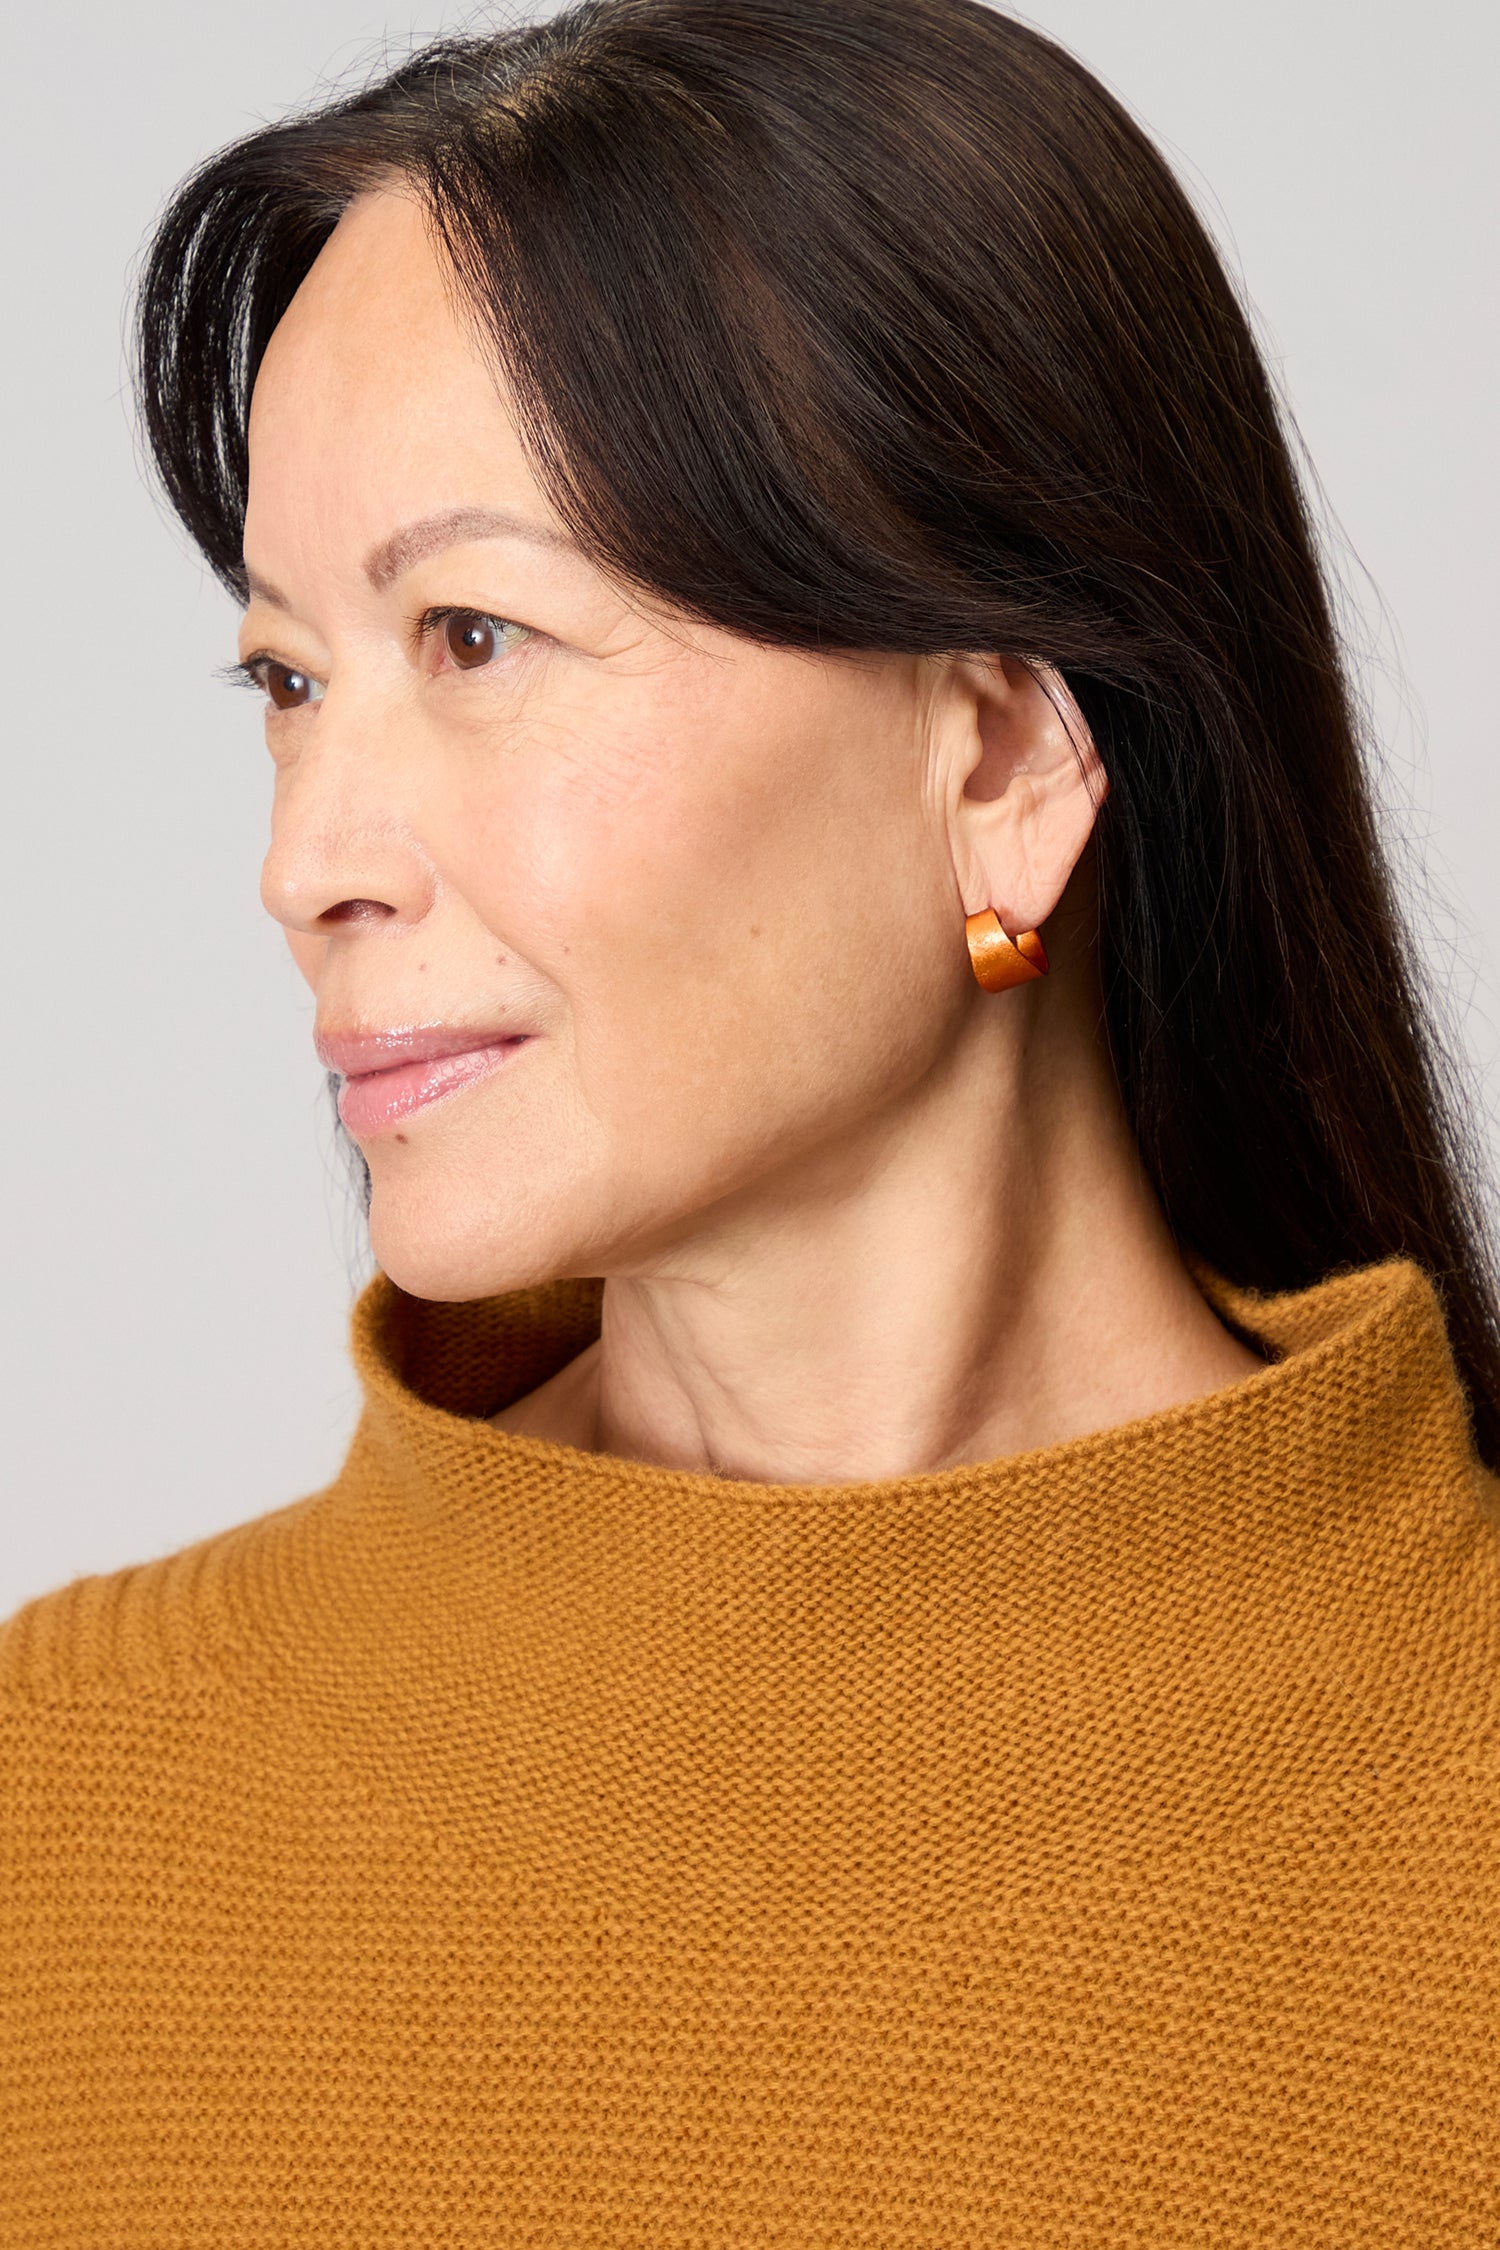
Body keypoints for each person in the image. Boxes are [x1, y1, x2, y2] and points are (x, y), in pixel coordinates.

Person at [4, 0, 1497, 2237]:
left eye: (479, 639)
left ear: (997, 761)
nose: (308, 854)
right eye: (291, 682)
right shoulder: (60, 1814)